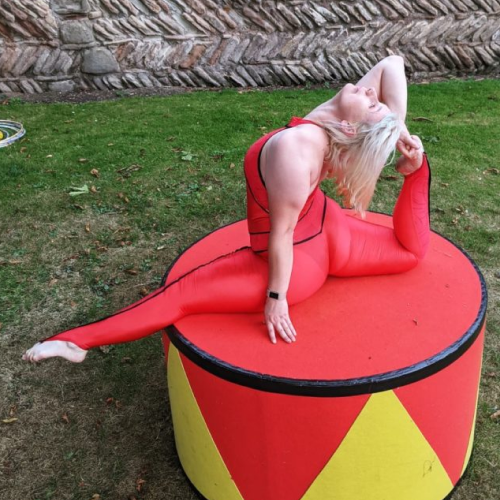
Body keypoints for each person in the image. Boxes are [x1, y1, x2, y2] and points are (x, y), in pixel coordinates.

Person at [22, 55, 429, 363]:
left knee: (182, 295)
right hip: (330, 227)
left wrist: (276, 296)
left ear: (351, 129)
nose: (371, 92)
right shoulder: (337, 117)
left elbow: (282, 234)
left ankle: (76, 342)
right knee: (409, 253)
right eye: (375, 100)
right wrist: (395, 126)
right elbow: (392, 64)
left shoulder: (297, 149)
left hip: (301, 261)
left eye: (373, 104)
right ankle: (417, 169)